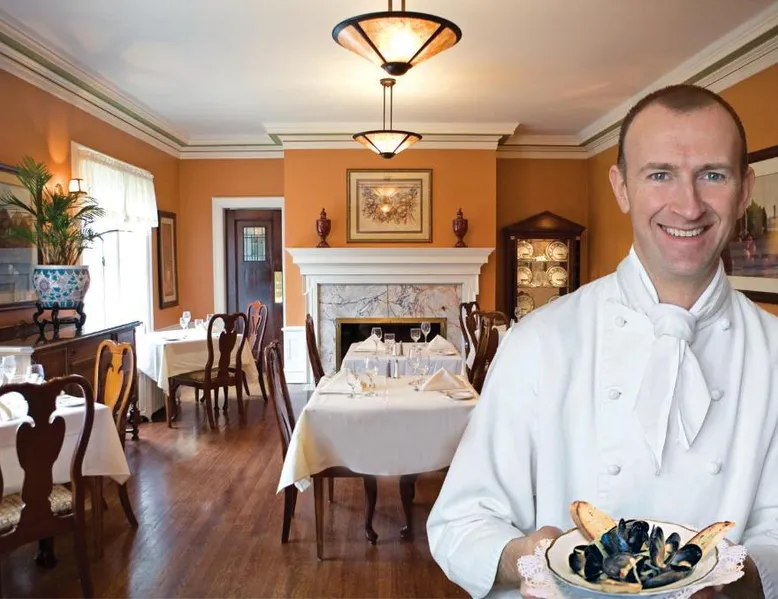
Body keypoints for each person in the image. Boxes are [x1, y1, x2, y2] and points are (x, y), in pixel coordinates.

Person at [427, 83, 776, 599]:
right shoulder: (538, 342)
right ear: (621, 187)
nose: (688, 206)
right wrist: (525, 559)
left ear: (745, 189)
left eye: (713, 175)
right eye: (660, 174)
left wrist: (735, 582)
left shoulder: (774, 353)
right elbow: (460, 524)